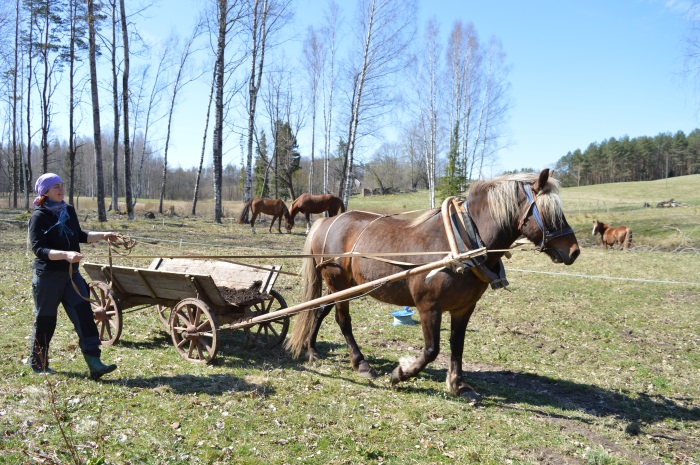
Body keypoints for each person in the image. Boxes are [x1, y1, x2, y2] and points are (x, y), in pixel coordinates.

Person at [28, 172, 118, 380]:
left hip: (72, 277)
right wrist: (65, 255)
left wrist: (103, 235)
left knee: (85, 317)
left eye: (61, 185)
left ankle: (94, 363)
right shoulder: (39, 216)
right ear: (45, 192)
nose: (61, 189)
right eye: (56, 186)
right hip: (48, 277)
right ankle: (39, 363)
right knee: (45, 321)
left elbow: (80, 235)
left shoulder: (68, 210)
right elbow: (39, 249)